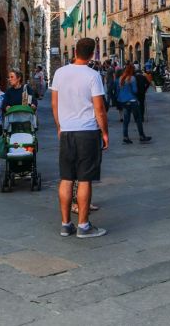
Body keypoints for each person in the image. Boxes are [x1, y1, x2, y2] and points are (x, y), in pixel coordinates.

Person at [51, 38, 109, 238]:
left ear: (75, 51)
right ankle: (83, 226)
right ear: (92, 54)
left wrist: (60, 127)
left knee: (66, 178)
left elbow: (54, 105)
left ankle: (66, 224)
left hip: (67, 131)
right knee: (84, 179)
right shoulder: (93, 75)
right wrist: (105, 133)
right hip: (87, 132)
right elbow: (99, 109)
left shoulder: (59, 73)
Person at [116, 64, 151, 144]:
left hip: (124, 101)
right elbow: (135, 90)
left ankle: (125, 136)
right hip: (132, 100)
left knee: (126, 120)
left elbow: (119, 90)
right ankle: (141, 136)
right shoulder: (132, 78)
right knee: (138, 119)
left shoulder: (120, 78)